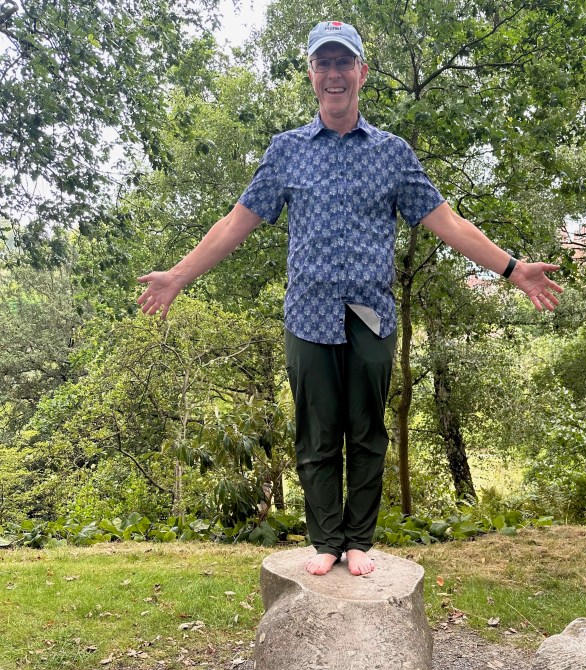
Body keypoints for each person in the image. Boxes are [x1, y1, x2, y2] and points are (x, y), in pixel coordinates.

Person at [137, 20, 563, 577]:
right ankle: (325, 541)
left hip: (370, 316)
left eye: (344, 63)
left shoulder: (392, 153)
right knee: (316, 435)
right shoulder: (286, 151)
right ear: (311, 74)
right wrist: (178, 276)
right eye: (324, 63)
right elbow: (236, 223)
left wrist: (512, 269)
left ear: (362, 73)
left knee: (366, 433)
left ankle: (359, 539)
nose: (334, 74)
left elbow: (448, 223)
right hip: (307, 316)